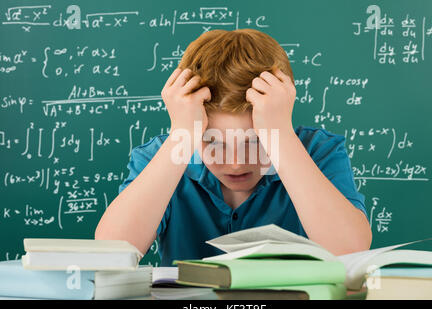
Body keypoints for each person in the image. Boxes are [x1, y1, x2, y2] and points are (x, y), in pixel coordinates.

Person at [95, 29, 372, 266]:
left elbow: (350, 251)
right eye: (212, 141)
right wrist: (182, 134)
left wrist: (281, 136)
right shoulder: (166, 155)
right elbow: (112, 252)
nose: (237, 162)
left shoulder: (317, 152)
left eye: (257, 140)